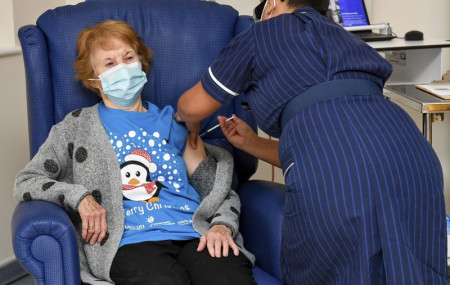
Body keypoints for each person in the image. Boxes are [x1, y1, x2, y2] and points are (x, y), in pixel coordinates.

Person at [176, 0, 447, 284]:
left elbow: (191, 106)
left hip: (336, 170)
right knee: (415, 273)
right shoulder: (346, 37)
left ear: (273, 3)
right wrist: (252, 143)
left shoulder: (260, 35)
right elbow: (348, 142)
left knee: (334, 273)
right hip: (411, 154)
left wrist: (190, 124)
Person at [14, 20, 256, 285]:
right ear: (93, 80)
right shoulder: (77, 127)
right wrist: (79, 197)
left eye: (128, 57)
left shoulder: (174, 124)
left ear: (141, 62)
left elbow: (216, 189)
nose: (123, 68)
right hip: (129, 241)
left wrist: (222, 225)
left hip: (194, 233)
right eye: (109, 63)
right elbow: (27, 181)